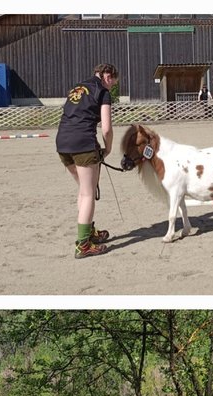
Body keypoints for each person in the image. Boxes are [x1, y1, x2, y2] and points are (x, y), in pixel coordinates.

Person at [54, 63, 120, 259]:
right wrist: (107, 148)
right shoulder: (103, 91)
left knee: (83, 191)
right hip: (83, 143)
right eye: (114, 82)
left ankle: (89, 232)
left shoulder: (76, 88)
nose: (113, 86)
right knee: (88, 194)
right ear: (108, 76)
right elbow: (106, 128)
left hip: (62, 143)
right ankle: (83, 245)